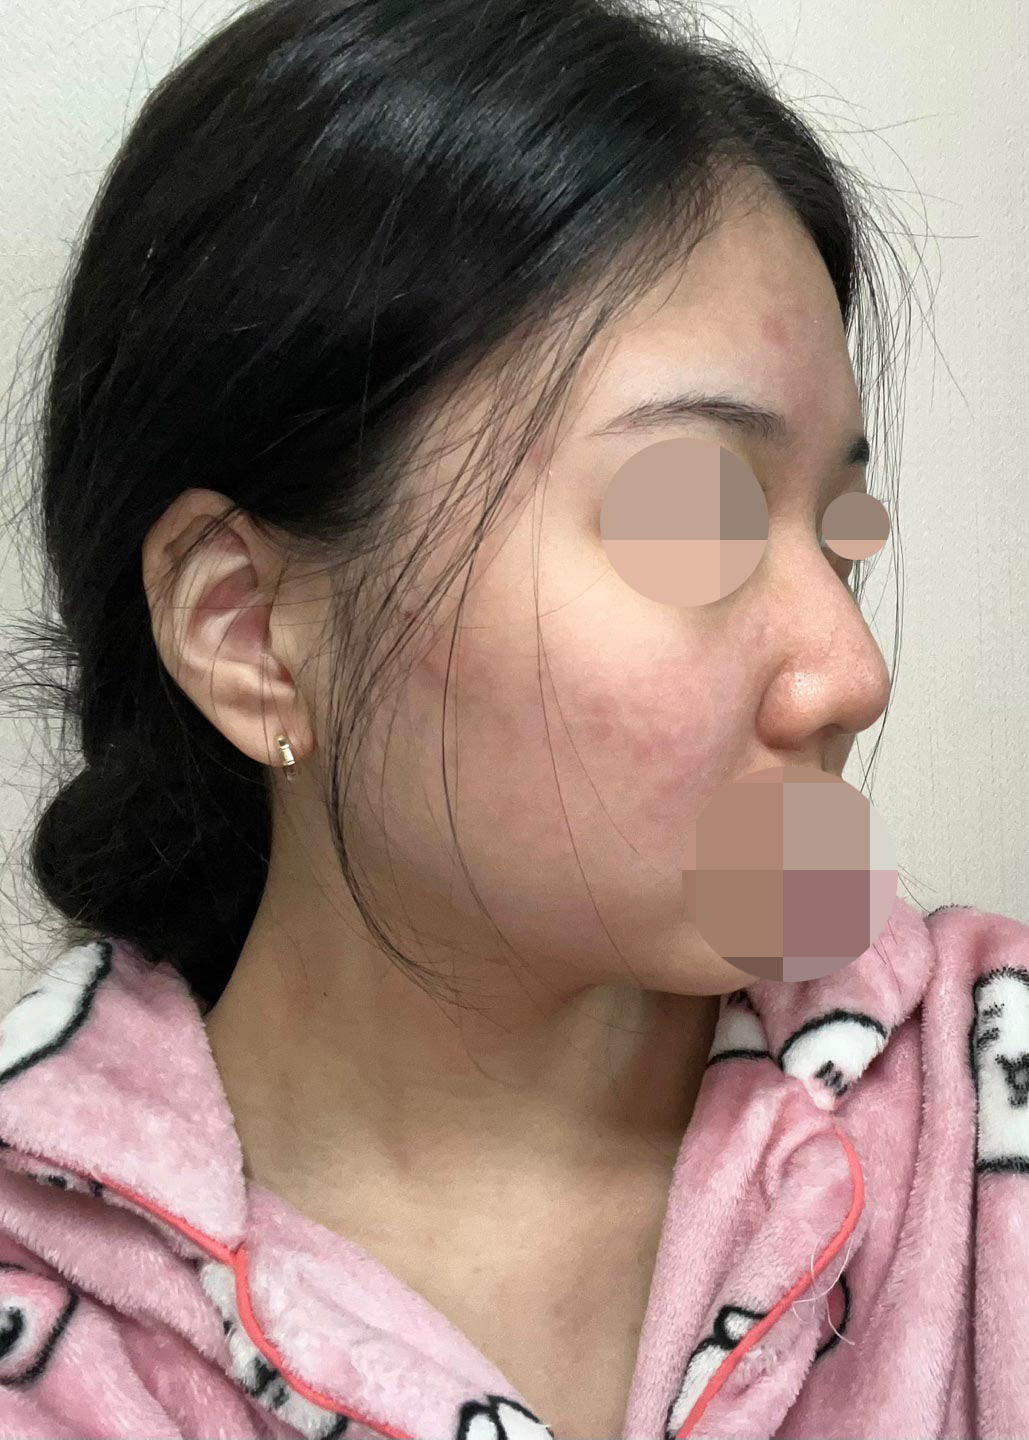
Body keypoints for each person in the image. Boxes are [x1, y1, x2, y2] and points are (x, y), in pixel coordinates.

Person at [0, 1, 1026, 1438]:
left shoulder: (983, 1130)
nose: (849, 674)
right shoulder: (50, 1336)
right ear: (249, 631)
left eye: (835, 536)